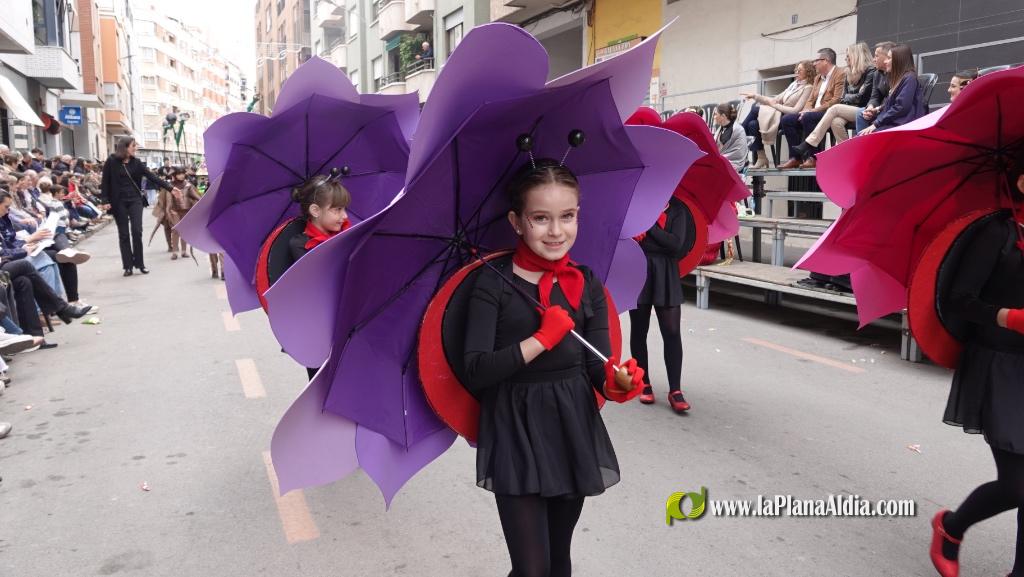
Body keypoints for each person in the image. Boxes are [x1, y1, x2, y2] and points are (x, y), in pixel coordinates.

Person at [462, 159, 645, 577]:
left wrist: (618, 382)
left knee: (558, 560)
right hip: (514, 427)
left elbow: (596, 366)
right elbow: (476, 370)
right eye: (540, 218)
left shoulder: (586, 281)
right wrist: (540, 340)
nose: (556, 231)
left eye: (567, 216)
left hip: (570, 424)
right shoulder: (493, 282)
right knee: (531, 568)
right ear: (517, 222)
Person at [930, 144, 1024, 577]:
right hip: (1000, 365)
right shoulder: (996, 233)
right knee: (1017, 485)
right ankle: (950, 528)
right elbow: (959, 299)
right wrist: (1009, 317)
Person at [0, 192, 91, 338]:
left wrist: (25, 245)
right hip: (4, 263)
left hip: (7, 260)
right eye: (6, 207)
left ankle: (34, 336)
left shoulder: (4, 219)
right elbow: (4, 250)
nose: (8, 210)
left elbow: (9, 243)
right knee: (28, 264)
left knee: (24, 280)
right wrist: (24, 248)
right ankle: (60, 308)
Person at [630, 197, 691, 413]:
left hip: (666, 273)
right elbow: (630, 239)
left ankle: (675, 390)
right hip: (640, 269)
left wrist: (648, 227)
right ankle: (643, 382)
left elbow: (675, 244)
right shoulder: (637, 207)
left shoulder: (678, 210)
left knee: (672, 331)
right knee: (639, 329)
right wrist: (643, 234)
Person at [792, 42, 876, 167]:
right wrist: (848, 98)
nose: (845, 59)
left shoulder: (871, 72)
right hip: (849, 108)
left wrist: (848, 98)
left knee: (834, 108)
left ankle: (809, 143)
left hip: (863, 109)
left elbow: (861, 97)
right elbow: (844, 96)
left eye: (848, 56)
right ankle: (848, 157)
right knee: (836, 122)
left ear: (856, 56)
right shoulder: (849, 72)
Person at [99, 135, 173, 276]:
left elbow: (152, 177)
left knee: (137, 231)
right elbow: (105, 182)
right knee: (124, 234)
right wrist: (105, 200)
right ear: (125, 147)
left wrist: (170, 188)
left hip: (135, 200)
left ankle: (140, 264)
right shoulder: (111, 161)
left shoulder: (137, 163)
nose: (136, 148)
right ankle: (128, 266)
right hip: (118, 201)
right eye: (134, 146)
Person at [779, 48, 847, 169]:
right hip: (812, 113)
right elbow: (810, 100)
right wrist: (805, 110)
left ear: (826, 61)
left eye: (816, 60)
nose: (814, 63)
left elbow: (836, 99)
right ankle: (795, 158)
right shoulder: (818, 78)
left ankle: (813, 158)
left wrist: (812, 111)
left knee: (809, 117)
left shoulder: (840, 73)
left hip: (829, 113)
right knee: (787, 119)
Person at [740, 60, 814, 168]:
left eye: (800, 70)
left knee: (755, 109)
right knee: (752, 124)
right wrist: (755, 96)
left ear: (808, 72)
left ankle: (739, 133)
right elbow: (775, 99)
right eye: (796, 70)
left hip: (789, 118)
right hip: (779, 114)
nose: (796, 72)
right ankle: (761, 157)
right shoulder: (793, 85)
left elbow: (796, 110)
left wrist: (775, 106)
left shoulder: (808, 87)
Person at [858, 43, 925, 136]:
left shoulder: (910, 78)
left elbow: (900, 107)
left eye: (889, 58)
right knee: (861, 135)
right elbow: (893, 103)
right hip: (894, 123)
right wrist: (877, 109)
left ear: (898, 60)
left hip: (902, 126)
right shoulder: (901, 78)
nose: (885, 61)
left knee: (862, 137)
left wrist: (876, 124)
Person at [155, 167, 202, 260]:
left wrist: (204, 201)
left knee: (184, 230)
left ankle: (184, 251)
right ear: (174, 175)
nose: (181, 175)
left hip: (186, 211)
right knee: (175, 230)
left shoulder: (188, 185)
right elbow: (168, 203)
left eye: (183, 173)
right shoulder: (170, 187)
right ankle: (175, 252)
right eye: (179, 174)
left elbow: (197, 197)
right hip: (174, 211)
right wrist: (169, 213)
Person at [857, 41, 896, 132]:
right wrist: (870, 107)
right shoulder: (877, 74)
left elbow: (895, 102)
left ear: (887, 57)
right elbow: (875, 96)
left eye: (876, 56)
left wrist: (877, 109)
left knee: (836, 110)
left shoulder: (898, 74)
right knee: (861, 114)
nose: (873, 60)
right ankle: (863, 140)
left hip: (888, 110)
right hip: (880, 109)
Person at [712, 102, 747, 172]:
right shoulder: (720, 129)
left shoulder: (738, 130)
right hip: (722, 161)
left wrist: (718, 159)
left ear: (723, 116)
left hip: (734, 163)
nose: (714, 117)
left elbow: (738, 153)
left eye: (716, 114)